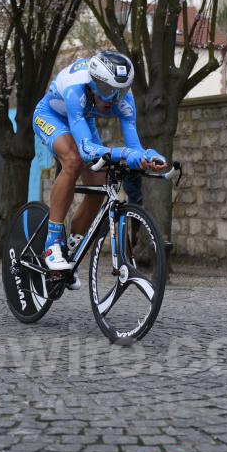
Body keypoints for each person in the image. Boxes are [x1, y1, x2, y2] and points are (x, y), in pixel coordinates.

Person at [32, 51, 168, 283]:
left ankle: (71, 248)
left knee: (99, 185)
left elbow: (133, 147)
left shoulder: (124, 99)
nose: (114, 98)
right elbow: (86, 149)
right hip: (52, 116)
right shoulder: (75, 89)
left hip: (83, 120)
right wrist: (126, 154)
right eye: (107, 90)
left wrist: (146, 158)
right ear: (94, 82)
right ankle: (52, 244)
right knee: (73, 160)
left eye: (121, 91)